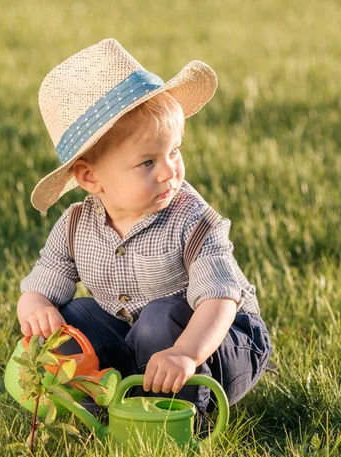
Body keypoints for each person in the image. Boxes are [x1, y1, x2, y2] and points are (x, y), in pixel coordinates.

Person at [16, 38, 273, 425]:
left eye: (175, 151)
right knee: (67, 316)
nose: (170, 171)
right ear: (90, 176)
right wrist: (35, 307)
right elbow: (42, 284)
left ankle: (184, 417)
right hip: (141, 343)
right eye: (148, 161)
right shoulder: (75, 225)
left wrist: (186, 352)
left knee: (158, 319)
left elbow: (220, 300)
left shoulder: (192, 219)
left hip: (218, 343)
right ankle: (93, 407)